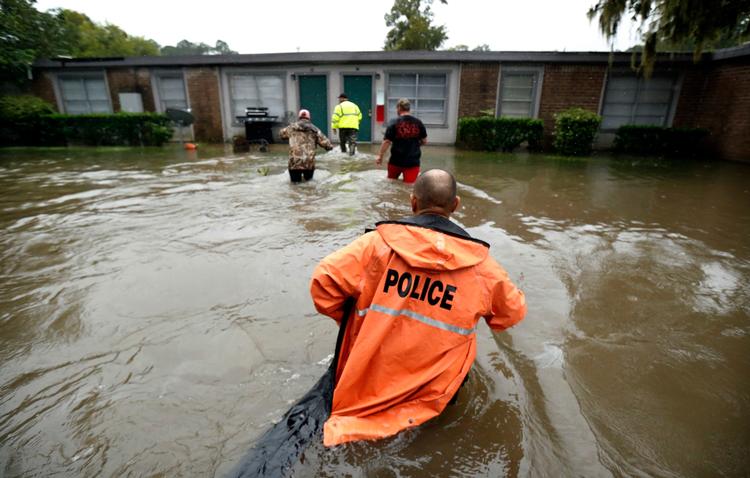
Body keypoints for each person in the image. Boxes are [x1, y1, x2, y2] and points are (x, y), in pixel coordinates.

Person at [310, 169, 527, 446]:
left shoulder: (375, 245)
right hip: (434, 394)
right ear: (456, 205)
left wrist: (354, 323)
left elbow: (323, 282)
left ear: (413, 202)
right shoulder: (483, 268)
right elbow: (512, 313)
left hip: (368, 381)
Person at [375, 98, 427, 184]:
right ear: (409, 108)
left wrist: (380, 156)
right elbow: (424, 141)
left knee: (391, 184)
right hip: (412, 162)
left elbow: (387, 142)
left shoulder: (393, 122)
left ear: (399, 108)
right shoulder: (418, 123)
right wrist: (414, 145)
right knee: (409, 187)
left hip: (395, 161)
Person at [279, 109, 333, 182]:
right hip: (309, 163)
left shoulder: (290, 128)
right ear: (309, 117)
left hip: (294, 163)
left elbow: (281, 135)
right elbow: (327, 144)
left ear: (299, 117)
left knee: (294, 187)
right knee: (309, 186)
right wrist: (329, 148)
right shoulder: (315, 130)